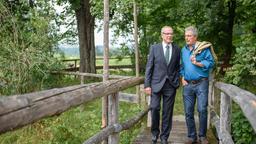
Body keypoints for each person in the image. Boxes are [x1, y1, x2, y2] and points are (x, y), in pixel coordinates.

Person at [144, 26, 181, 144]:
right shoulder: (154, 48)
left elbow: (178, 67)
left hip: (170, 85)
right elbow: (149, 67)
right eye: (167, 33)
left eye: (171, 34)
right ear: (162, 35)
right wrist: (147, 85)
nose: (169, 36)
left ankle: (164, 137)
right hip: (155, 84)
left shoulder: (177, 49)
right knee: (154, 108)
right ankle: (155, 133)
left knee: (167, 112)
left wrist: (176, 80)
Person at [180, 26, 216, 144]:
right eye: (186, 36)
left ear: (195, 37)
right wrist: (182, 77)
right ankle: (191, 136)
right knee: (188, 111)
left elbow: (211, 63)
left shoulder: (203, 48)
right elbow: (181, 66)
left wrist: (198, 63)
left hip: (201, 83)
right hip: (188, 85)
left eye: (189, 36)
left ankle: (202, 136)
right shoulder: (183, 50)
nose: (187, 38)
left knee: (202, 109)